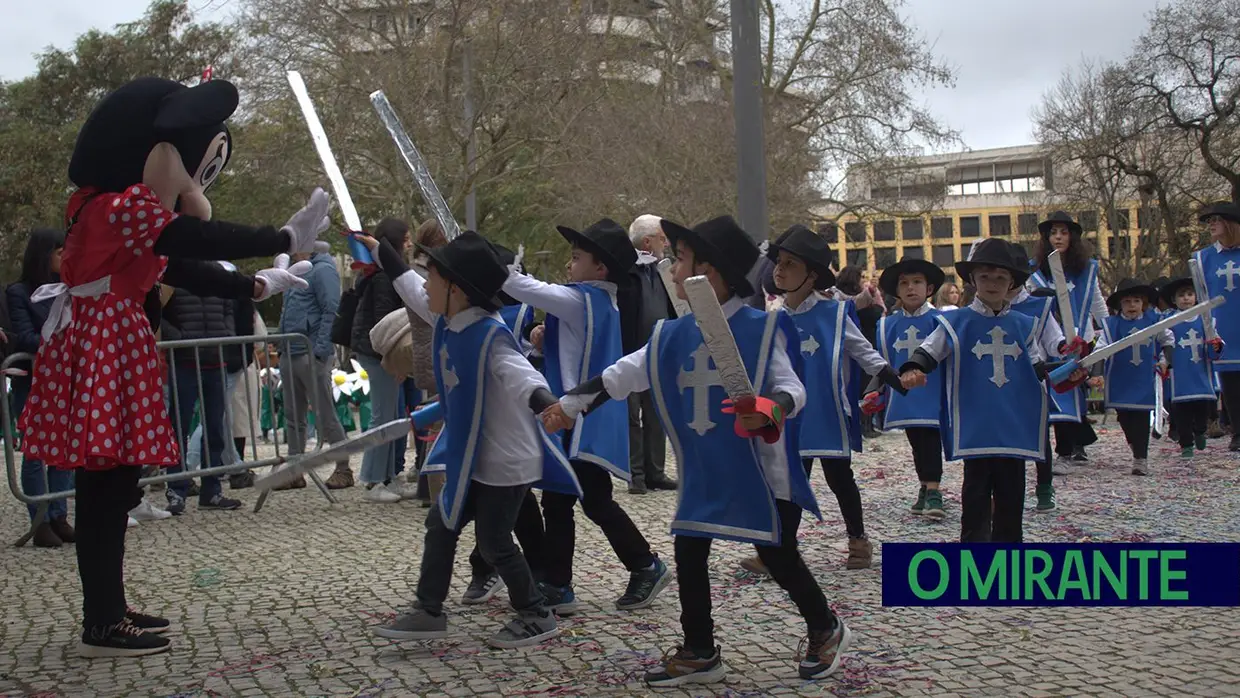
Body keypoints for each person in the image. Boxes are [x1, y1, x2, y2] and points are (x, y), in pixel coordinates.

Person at [16, 77, 328, 657]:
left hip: (112, 343)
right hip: (108, 345)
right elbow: (187, 236)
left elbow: (176, 264)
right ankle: (102, 622)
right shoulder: (120, 206)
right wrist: (277, 236)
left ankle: (108, 606)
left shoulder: (105, 209)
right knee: (106, 486)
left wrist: (254, 284)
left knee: (114, 486)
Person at [543, 215, 851, 687]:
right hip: (704, 468)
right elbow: (622, 374)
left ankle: (824, 627)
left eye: (681, 258)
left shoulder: (760, 329)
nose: (671, 266)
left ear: (711, 273)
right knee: (688, 550)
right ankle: (699, 649)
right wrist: (569, 405)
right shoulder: (672, 335)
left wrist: (771, 407)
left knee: (780, 554)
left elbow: (792, 387)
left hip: (761, 470)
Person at [360, 230, 577, 649]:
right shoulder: (448, 316)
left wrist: (546, 403)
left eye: (434, 276)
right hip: (472, 456)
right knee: (440, 525)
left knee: (494, 543)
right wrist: (379, 250)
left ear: (456, 289)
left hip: (506, 462)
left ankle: (535, 613)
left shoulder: (489, 337)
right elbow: (409, 286)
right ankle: (428, 610)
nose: (426, 283)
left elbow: (521, 374)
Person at [499, 218, 670, 614]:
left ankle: (641, 565)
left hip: (578, 419)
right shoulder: (593, 302)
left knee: (584, 501)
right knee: (572, 501)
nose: (569, 264)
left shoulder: (581, 299)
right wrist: (542, 338)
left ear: (601, 268)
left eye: (576, 258)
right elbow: (566, 352)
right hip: (579, 417)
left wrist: (492, 266)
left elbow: (524, 288)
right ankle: (565, 582)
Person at [742, 225, 902, 573]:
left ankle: (858, 540)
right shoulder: (775, 319)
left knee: (840, 478)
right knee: (791, 481)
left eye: (789, 264)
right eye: (778, 263)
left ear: (811, 276)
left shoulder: (835, 314)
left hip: (828, 411)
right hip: (791, 414)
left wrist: (890, 376)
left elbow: (862, 350)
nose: (779, 270)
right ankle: (780, 551)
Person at [900, 239, 1074, 543]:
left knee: (1011, 496)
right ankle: (975, 564)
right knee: (976, 495)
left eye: (1000, 278)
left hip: (1012, 424)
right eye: (984, 276)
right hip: (977, 423)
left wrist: (1068, 369)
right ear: (973, 280)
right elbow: (929, 351)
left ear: (1012, 283)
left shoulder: (1024, 325)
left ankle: (1007, 568)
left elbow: (1036, 367)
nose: (992, 283)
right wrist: (913, 368)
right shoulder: (956, 322)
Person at [7, 228, 75, 547]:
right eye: (60, 252)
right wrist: (59, 347)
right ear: (44, 254)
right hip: (34, 381)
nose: (66, 257)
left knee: (62, 452)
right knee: (35, 453)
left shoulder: (69, 290)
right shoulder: (18, 292)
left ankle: (59, 515)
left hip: (63, 381)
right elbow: (24, 336)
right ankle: (39, 520)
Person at [1027, 211, 1107, 464]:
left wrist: (1108, 330)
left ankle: (1075, 444)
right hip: (1047, 339)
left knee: (1075, 390)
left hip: (1078, 339)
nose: (1058, 237)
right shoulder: (1035, 271)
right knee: (1054, 391)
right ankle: (1064, 446)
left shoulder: (1086, 269)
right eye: (1053, 233)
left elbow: (1096, 303)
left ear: (1072, 237)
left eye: (1063, 232)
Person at [276, 237, 352, 489]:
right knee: (292, 415)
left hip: (310, 352)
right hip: (291, 350)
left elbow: (332, 309)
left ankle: (343, 468)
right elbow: (288, 311)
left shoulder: (323, 269)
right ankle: (295, 471)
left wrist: (320, 351)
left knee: (325, 413)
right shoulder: (294, 269)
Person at [874, 256, 946, 519]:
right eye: (904, 283)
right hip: (904, 395)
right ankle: (925, 487)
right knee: (917, 443)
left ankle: (934, 489)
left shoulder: (942, 321)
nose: (910, 288)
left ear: (929, 289)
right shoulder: (887, 325)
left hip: (933, 392)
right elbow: (881, 362)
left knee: (930, 441)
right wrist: (876, 392)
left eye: (917, 282)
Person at [351, 218, 413, 502]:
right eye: (407, 238)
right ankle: (374, 479)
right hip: (379, 353)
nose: (410, 243)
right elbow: (384, 323)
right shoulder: (385, 277)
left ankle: (387, 476)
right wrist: (393, 359)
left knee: (392, 416)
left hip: (377, 351)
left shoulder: (382, 273)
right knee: (383, 417)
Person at [622, 215, 677, 493]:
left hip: (658, 351)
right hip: (629, 351)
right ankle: (637, 475)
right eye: (661, 238)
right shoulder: (624, 269)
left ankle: (655, 472)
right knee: (632, 415)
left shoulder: (663, 271)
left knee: (656, 414)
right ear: (647, 241)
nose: (665, 243)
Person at [1101, 279, 1172, 475]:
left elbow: (1168, 341)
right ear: (1119, 305)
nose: (1132, 306)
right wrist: (1096, 374)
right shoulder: (1111, 325)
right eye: (1127, 301)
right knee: (1125, 419)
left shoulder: (1154, 322)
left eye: (1136, 301)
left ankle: (1141, 458)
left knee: (1141, 418)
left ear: (1143, 303)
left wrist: (1165, 361)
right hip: (1120, 379)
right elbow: (1100, 350)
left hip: (1144, 378)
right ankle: (1135, 446)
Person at [1191, 202, 1240, 452]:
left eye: (1216, 220)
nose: (1210, 224)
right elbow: (1201, 297)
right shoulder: (1202, 258)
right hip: (1222, 326)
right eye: (1208, 221)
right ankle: (1237, 431)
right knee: (1230, 380)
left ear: (1230, 224)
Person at [1160, 277, 1225, 458]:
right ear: (1174, 300)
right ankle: (1186, 444)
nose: (1186, 298)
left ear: (1196, 297)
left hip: (1200, 373)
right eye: (1182, 295)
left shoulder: (1206, 320)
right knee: (1182, 415)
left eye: (1190, 294)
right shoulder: (1168, 321)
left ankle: (1200, 431)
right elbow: (1163, 344)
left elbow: (1216, 345)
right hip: (1179, 376)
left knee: (1201, 410)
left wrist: (1215, 346)